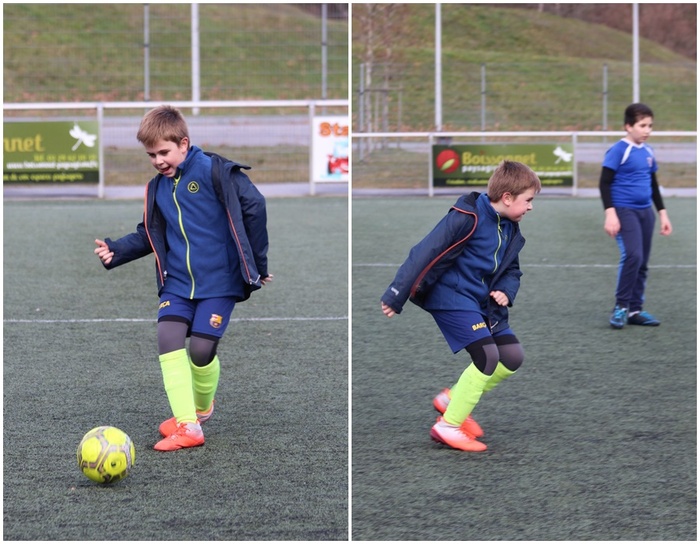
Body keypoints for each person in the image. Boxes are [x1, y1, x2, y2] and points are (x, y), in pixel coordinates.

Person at [94, 105, 272, 451]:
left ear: (184, 144)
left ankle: (202, 408)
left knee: (202, 352)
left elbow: (255, 206)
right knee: (168, 337)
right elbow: (150, 233)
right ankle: (188, 425)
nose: (158, 160)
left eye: (164, 152)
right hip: (176, 281)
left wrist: (257, 265)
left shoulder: (213, 171)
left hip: (220, 281)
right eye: (151, 154)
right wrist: (116, 251)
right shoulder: (157, 188)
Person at [380, 161, 541, 452]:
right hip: (451, 297)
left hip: (483, 301)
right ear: (507, 197)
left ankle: (450, 401)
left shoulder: (512, 229)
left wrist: (506, 290)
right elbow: (425, 251)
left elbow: (512, 271)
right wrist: (396, 293)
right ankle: (448, 426)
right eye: (528, 200)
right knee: (486, 356)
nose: (530, 207)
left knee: (512, 357)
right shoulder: (466, 216)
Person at [600, 103, 672, 329]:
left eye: (650, 126)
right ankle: (621, 307)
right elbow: (604, 183)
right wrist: (610, 214)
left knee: (642, 263)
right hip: (624, 210)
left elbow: (653, 183)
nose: (647, 130)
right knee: (633, 256)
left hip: (645, 213)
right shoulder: (619, 150)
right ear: (628, 126)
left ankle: (635, 309)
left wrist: (662, 214)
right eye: (642, 125)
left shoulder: (648, 151)